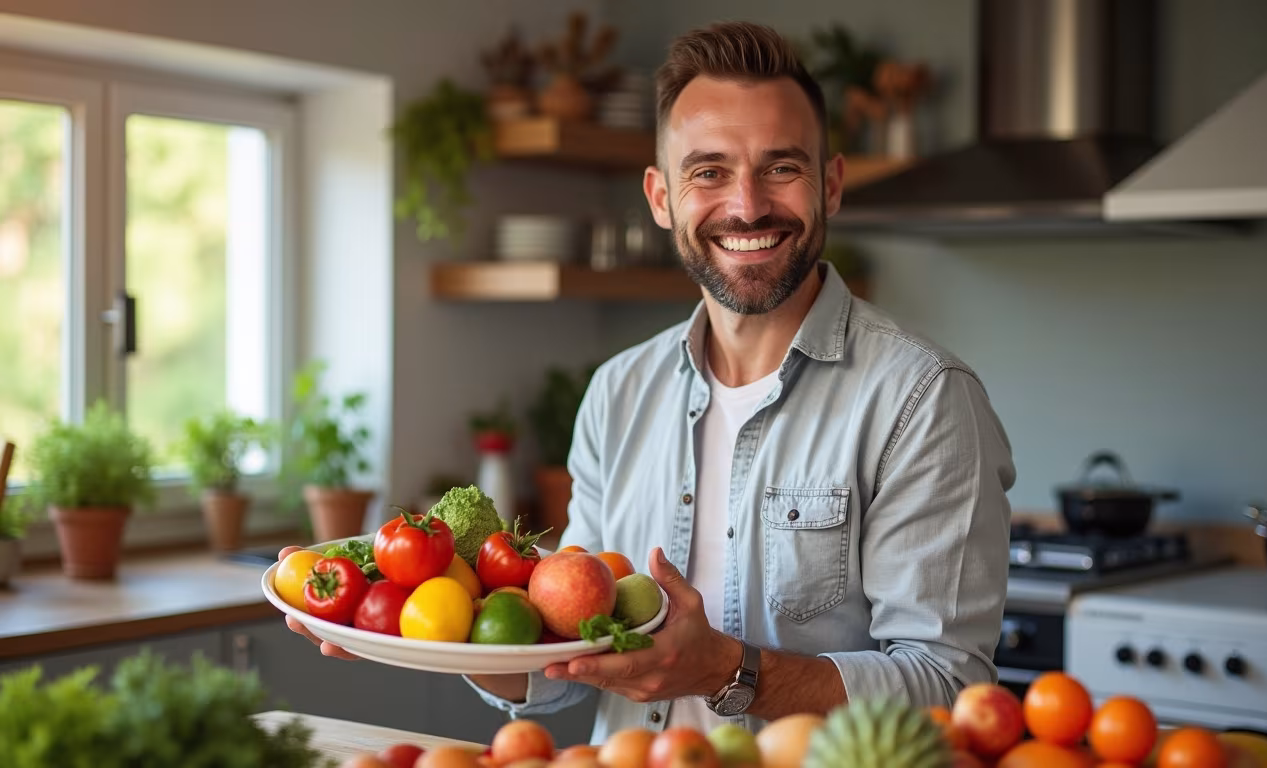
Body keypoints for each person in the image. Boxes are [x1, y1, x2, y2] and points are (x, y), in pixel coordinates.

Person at [283, 20, 1015, 745]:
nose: (747, 205)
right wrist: (409, 632)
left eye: (781, 168)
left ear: (831, 184)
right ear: (661, 197)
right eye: (709, 172)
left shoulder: (923, 399)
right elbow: (567, 655)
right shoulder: (619, 392)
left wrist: (726, 671)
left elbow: (948, 689)